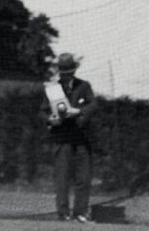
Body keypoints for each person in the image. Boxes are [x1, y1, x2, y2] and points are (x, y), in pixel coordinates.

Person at [41, 53, 98, 223]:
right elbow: (43, 111)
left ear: (74, 71)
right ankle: (63, 214)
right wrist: (51, 120)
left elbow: (93, 105)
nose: (66, 75)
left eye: (69, 71)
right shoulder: (53, 90)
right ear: (59, 72)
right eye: (63, 72)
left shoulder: (84, 86)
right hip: (62, 138)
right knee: (62, 179)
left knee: (83, 178)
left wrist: (79, 112)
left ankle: (80, 213)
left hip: (81, 139)